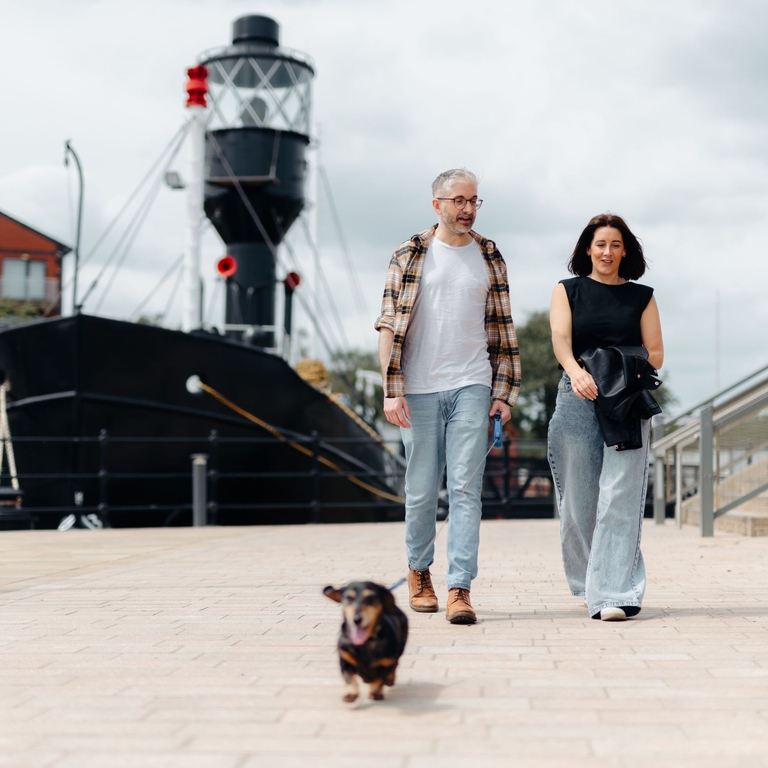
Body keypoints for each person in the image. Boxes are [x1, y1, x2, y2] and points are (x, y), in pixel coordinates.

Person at [374, 168, 520, 624]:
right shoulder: (409, 252)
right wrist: (390, 389)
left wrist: (505, 392)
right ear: (437, 205)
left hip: (472, 384)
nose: (468, 209)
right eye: (459, 200)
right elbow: (387, 326)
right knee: (420, 492)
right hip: (416, 388)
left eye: (474, 200)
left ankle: (461, 588)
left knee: (464, 489)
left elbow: (502, 328)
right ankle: (419, 573)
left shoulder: (490, 255)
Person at [547, 213, 664, 621]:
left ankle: (614, 592)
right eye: (600, 244)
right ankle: (588, 580)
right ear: (587, 250)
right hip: (578, 394)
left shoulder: (642, 296)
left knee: (620, 496)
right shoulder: (568, 290)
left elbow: (656, 354)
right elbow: (561, 339)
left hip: (627, 400)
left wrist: (613, 366)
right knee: (578, 500)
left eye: (615, 245)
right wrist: (578, 371)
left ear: (625, 250)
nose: (607, 252)